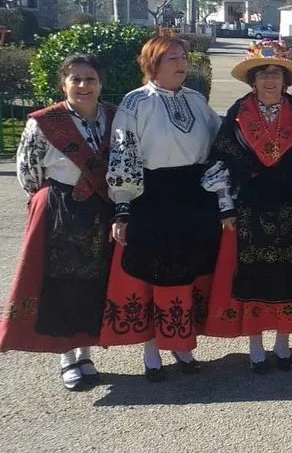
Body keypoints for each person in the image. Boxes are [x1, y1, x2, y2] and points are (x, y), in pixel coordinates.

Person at [100, 36, 222, 382]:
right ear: (152, 63)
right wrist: (123, 205)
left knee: (188, 273)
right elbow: (123, 155)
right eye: (171, 58)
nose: (181, 63)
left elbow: (220, 142)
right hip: (152, 197)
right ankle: (152, 349)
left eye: (183, 57)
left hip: (194, 197)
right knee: (155, 274)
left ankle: (182, 345)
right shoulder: (135, 103)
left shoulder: (197, 101)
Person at [201, 41, 292, 373]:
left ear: (285, 80)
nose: (269, 80)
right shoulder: (238, 114)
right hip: (250, 208)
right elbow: (218, 161)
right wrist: (226, 207)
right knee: (254, 275)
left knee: (288, 274)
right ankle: (255, 345)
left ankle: (283, 343)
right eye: (263, 74)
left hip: (291, 206)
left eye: (276, 74)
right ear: (253, 80)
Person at [0, 55, 115, 391]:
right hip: (61, 207)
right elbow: (28, 171)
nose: (83, 86)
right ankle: (67, 356)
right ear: (63, 84)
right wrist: (52, 200)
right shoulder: (46, 123)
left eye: (90, 79)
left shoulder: (113, 117)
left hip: (100, 208)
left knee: (94, 281)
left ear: (100, 83)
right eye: (75, 79)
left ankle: (86, 352)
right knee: (61, 281)